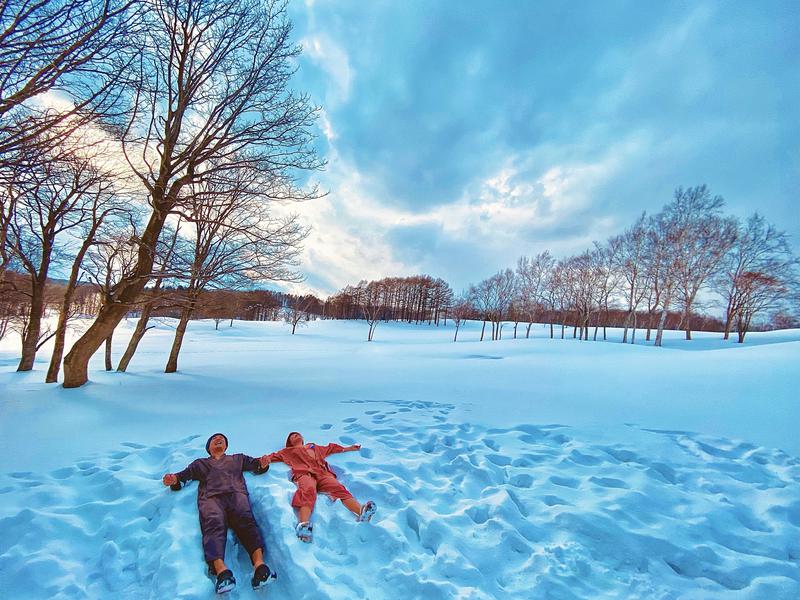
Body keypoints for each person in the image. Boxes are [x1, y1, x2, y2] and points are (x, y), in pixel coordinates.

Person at [162, 433, 277, 594]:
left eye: (222, 439)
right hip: (211, 499)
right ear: (208, 447)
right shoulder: (200, 464)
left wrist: (263, 464)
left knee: (247, 522)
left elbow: (256, 465)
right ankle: (222, 572)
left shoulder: (238, 459)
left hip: (236, 494)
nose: (218, 439)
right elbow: (183, 477)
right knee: (213, 525)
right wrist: (173, 480)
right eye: (215, 439)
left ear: (226, 446)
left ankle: (260, 566)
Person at [262, 431, 376, 542]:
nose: (295, 435)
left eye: (297, 434)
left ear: (302, 438)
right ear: (289, 442)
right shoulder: (287, 451)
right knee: (308, 490)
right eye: (292, 436)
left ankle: (361, 512)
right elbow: (272, 457)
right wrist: (265, 460)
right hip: (304, 474)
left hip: (322, 473)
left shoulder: (313, 447)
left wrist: (349, 448)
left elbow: (330, 449)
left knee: (337, 487)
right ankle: (303, 525)